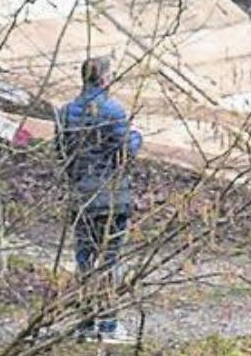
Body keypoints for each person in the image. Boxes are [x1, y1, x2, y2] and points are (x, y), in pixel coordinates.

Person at [57, 57, 141, 344]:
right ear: (104, 79)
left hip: (81, 197)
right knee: (109, 261)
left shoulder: (65, 113)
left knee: (84, 261)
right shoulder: (114, 111)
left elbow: (62, 154)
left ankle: (84, 323)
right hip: (111, 198)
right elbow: (125, 152)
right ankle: (108, 325)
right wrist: (137, 137)